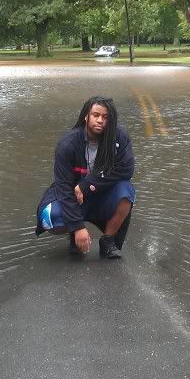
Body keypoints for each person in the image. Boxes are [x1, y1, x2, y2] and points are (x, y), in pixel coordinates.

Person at [35, 96, 135, 259]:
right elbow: (63, 187)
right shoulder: (68, 144)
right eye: (96, 115)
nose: (100, 120)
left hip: (103, 195)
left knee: (126, 191)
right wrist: (77, 227)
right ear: (86, 116)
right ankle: (74, 237)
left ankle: (108, 241)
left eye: (105, 117)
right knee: (49, 218)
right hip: (74, 197)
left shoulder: (120, 137)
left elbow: (126, 170)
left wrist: (87, 184)